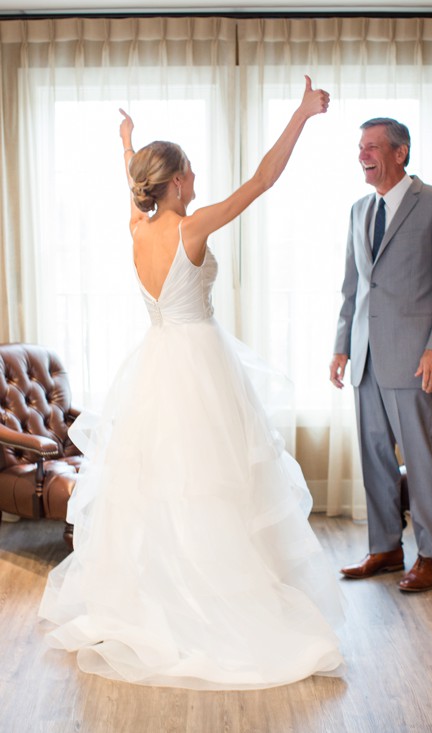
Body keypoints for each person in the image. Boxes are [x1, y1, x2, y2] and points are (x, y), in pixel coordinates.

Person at [38, 76, 344, 690]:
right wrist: (302, 116)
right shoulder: (191, 226)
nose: (197, 179)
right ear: (177, 181)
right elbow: (261, 181)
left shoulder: (138, 229)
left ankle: (156, 592)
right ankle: (214, 601)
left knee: (159, 487)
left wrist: (126, 143)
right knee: (216, 484)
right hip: (202, 368)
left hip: (155, 366)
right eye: (191, 172)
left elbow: (132, 183)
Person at [329, 118, 432, 593]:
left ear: (400, 152)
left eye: (372, 147)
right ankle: (386, 547)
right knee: (374, 458)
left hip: (416, 358)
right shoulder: (357, 210)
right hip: (366, 358)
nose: (363, 155)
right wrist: (341, 347)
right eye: (360, 147)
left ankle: (431, 555)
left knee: (422, 458)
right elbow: (353, 288)